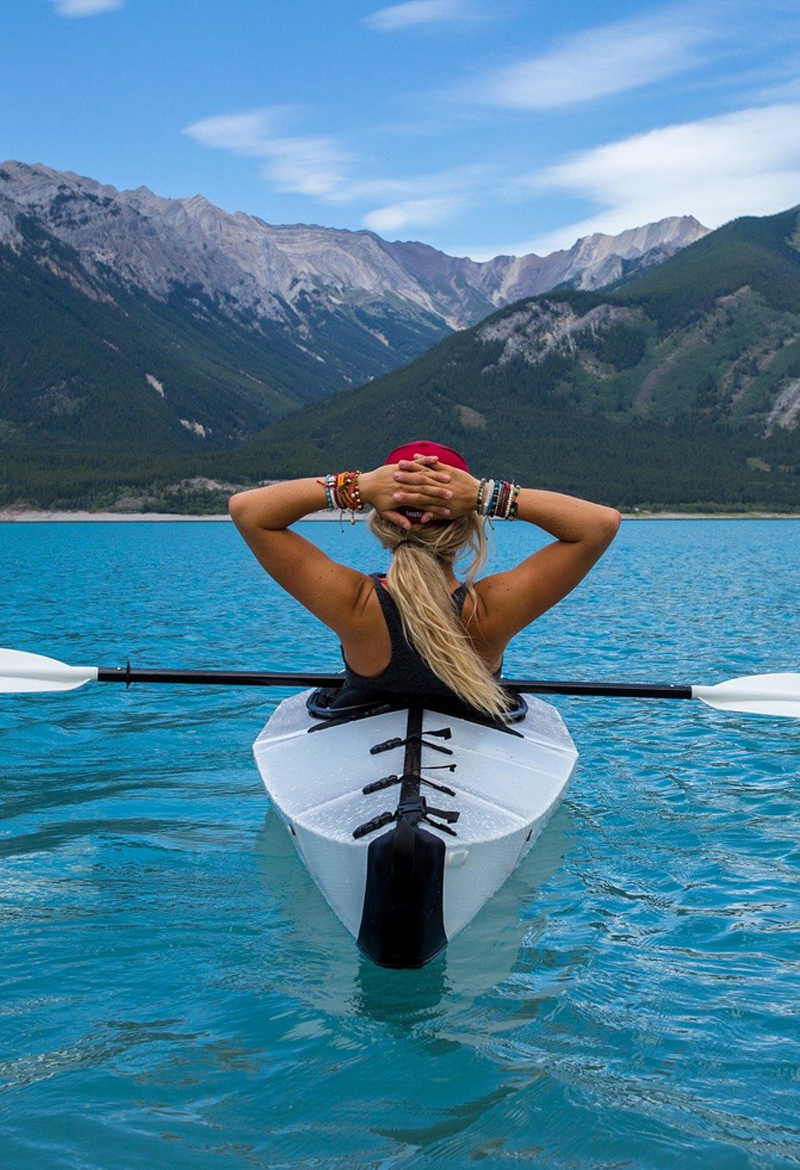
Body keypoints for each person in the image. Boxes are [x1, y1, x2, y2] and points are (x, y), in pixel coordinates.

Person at [228, 441, 620, 719]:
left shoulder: (354, 604)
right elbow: (600, 524)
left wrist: (357, 486)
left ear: (381, 521)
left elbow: (248, 511)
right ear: (468, 524)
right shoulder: (490, 611)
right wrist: (486, 493)